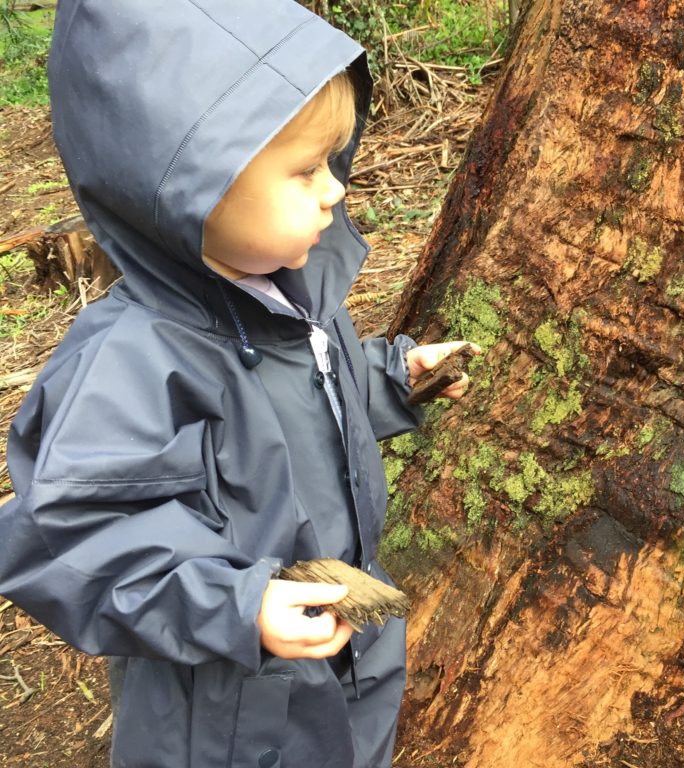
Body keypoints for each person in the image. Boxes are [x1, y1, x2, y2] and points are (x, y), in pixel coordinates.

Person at [0, 1, 476, 766]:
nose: (334, 192)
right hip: (222, 707)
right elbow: (70, 538)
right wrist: (237, 606)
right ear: (189, 188)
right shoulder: (133, 359)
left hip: (346, 631)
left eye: (333, 161)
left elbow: (305, 392)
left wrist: (391, 380)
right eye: (304, 171)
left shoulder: (292, 296)